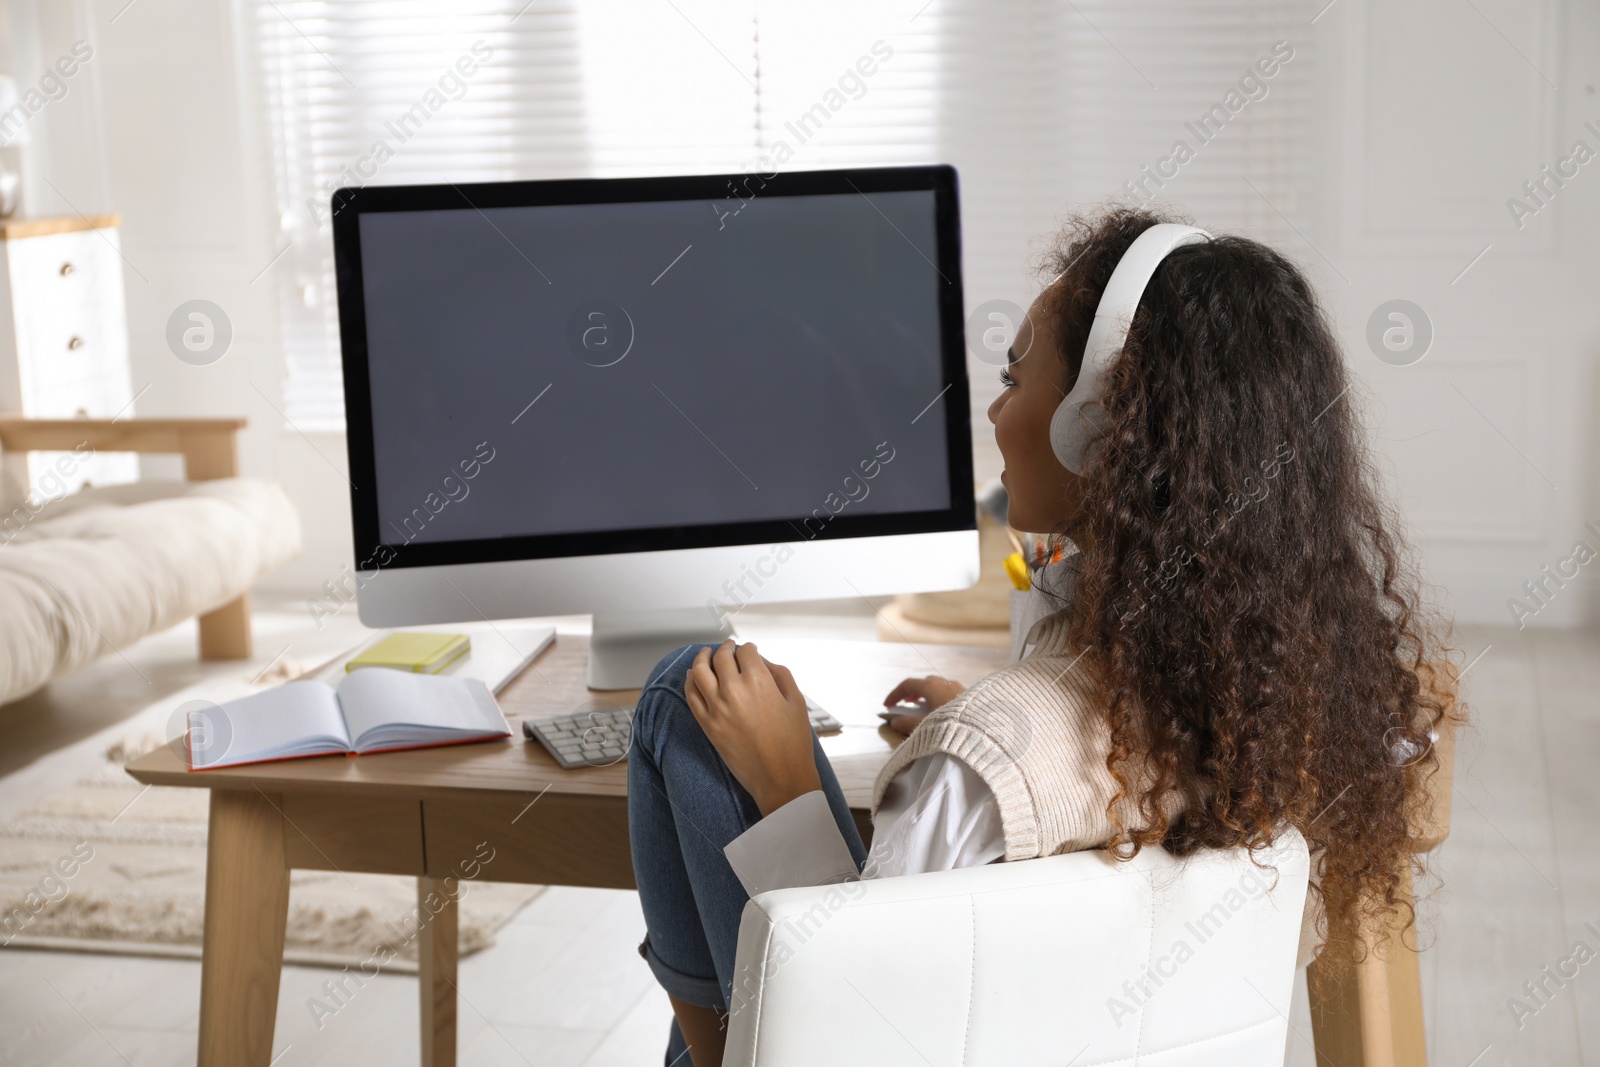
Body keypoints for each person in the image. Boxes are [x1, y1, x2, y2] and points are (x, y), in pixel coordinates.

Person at [626, 206, 1459, 1067]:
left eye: (1014, 376)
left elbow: (868, 1019)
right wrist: (994, 734)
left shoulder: (979, 762)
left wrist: (790, 781)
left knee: (677, 693)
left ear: (1100, 426)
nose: (992, 408)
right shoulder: (1289, 701)